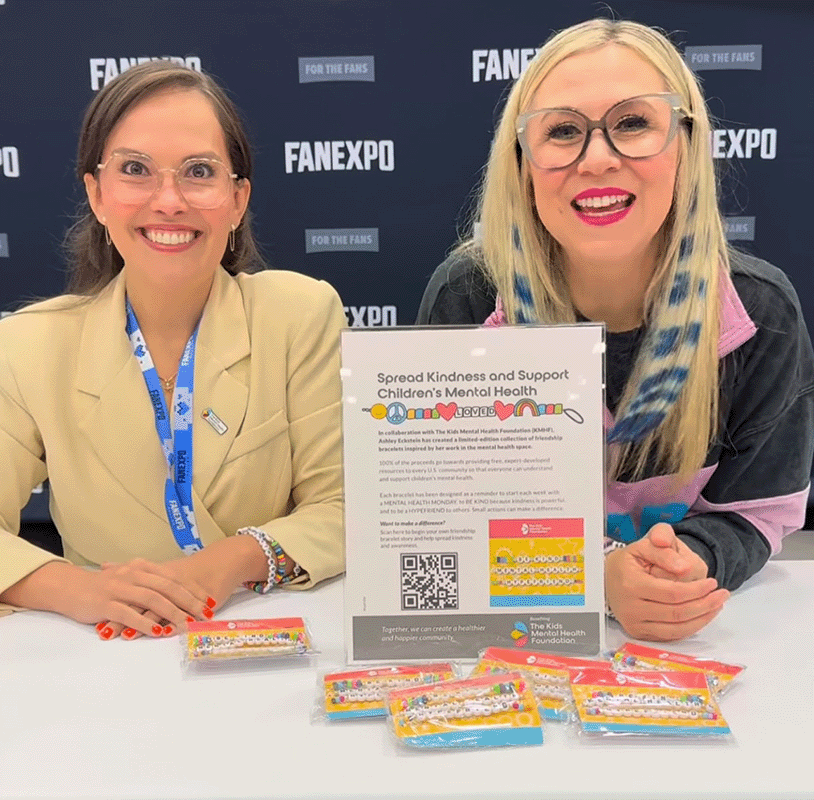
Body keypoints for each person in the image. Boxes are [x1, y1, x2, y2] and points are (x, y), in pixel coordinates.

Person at [416, 18, 814, 641]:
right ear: (522, 163)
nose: (598, 158)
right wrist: (595, 578)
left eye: (632, 123)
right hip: (515, 635)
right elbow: (438, 518)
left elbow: (755, 513)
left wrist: (687, 563)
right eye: (562, 131)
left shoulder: (760, 315)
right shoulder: (466, 298)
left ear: (685, 146)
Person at [0, 62, 345, 639]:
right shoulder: (29, 346)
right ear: (97, 194)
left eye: (199, 172)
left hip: (266, 637)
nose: (168, 200)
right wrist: (79, 589)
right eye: (135, 170)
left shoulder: (299, 316)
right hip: (102, 652)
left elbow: (343, 506)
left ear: (237, 200)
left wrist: (231, 561)